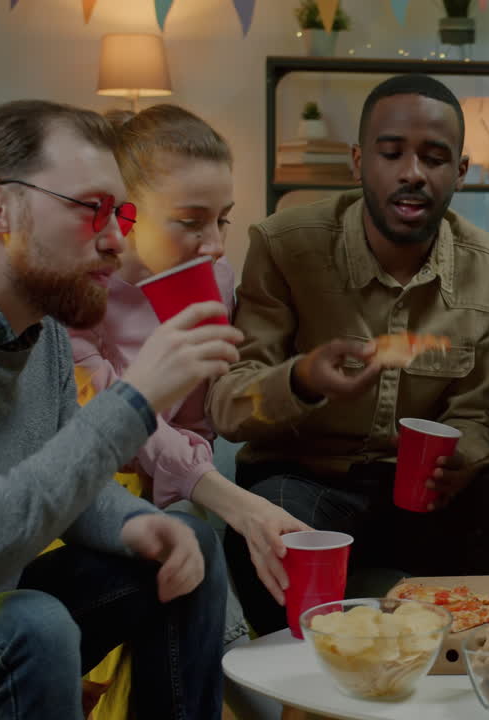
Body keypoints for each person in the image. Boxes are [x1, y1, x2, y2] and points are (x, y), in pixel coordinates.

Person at [0, 99, 242, 719]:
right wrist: (135, 399)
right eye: (92, 209)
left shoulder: (43, 325)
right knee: (34, 626)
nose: (116, 238)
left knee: (184, 543)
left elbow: (68, 482)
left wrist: (134, 524)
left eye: (123, 212)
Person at [208, 74, 489, 636]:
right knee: (277, 522)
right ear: (357, 162)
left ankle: (474, 671)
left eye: (434, 157)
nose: (412, 173)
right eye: (391, 153)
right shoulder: (283, 246)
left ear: (460, 172)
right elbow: (227, 408)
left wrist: (459, 460)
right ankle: (306, 687)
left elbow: (481, 418)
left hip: (429, 498)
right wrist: (299, 378)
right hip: (306, 479)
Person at [69, 104, 310, 610]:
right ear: (123, 212)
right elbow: (109, 418)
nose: (217, 246)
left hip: (175, 493)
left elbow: (199, 426)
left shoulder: (214, 282)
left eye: (223, 220)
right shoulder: (73, 287)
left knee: (195, 554)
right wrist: (235, 502)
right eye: (191, 222)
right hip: (76, 496)